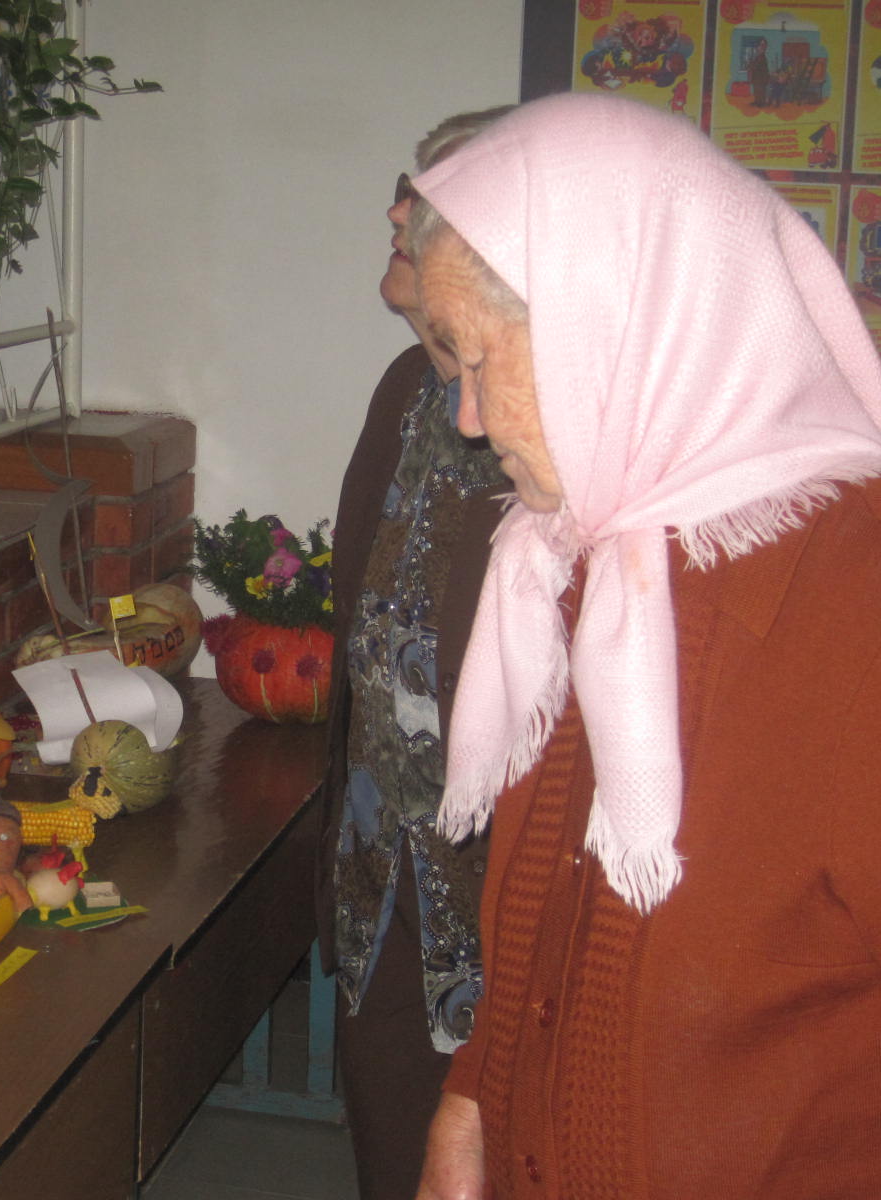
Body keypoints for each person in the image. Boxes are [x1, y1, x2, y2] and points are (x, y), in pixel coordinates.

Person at [405, 93, 881, 1199]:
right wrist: (471, 1103)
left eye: (480, 362)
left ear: (612, 328)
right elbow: (546, 922)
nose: (467, 420)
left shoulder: (869, 608)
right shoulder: (577, 558)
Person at [316, 105, 511, 1200]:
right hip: (381, 886)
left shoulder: (549, 431)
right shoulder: (403, 393)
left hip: (494, 909)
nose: (397, 211)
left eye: (428, 194)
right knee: (392, 1152)